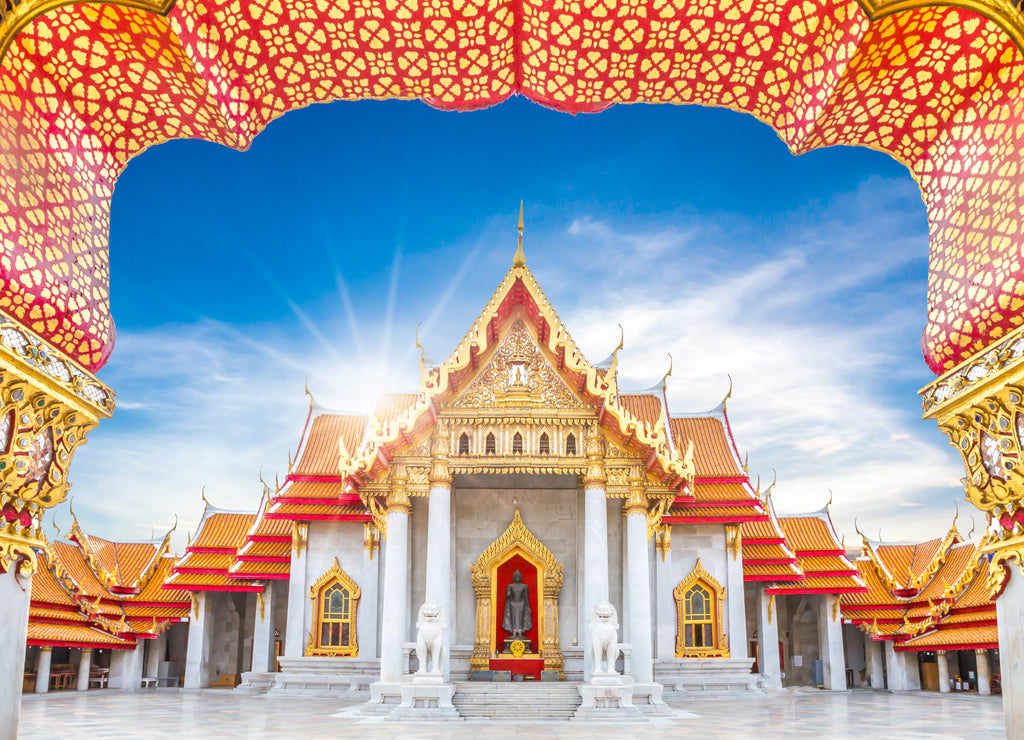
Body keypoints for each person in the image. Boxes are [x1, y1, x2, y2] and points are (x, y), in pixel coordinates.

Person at [502, 569, 532, 637]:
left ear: (521, 577)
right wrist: (508, 593)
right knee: (513, 618)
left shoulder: (524, 586)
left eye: (518, 576)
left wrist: (528, 608)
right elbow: (508, 596)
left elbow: (526, 597)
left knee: (521, 618)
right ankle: (514, 632)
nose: (517, 578)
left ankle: (520, 632)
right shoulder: (510, 586)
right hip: (512, 603)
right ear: (513, 577)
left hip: (522, 603)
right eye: (516, 576)